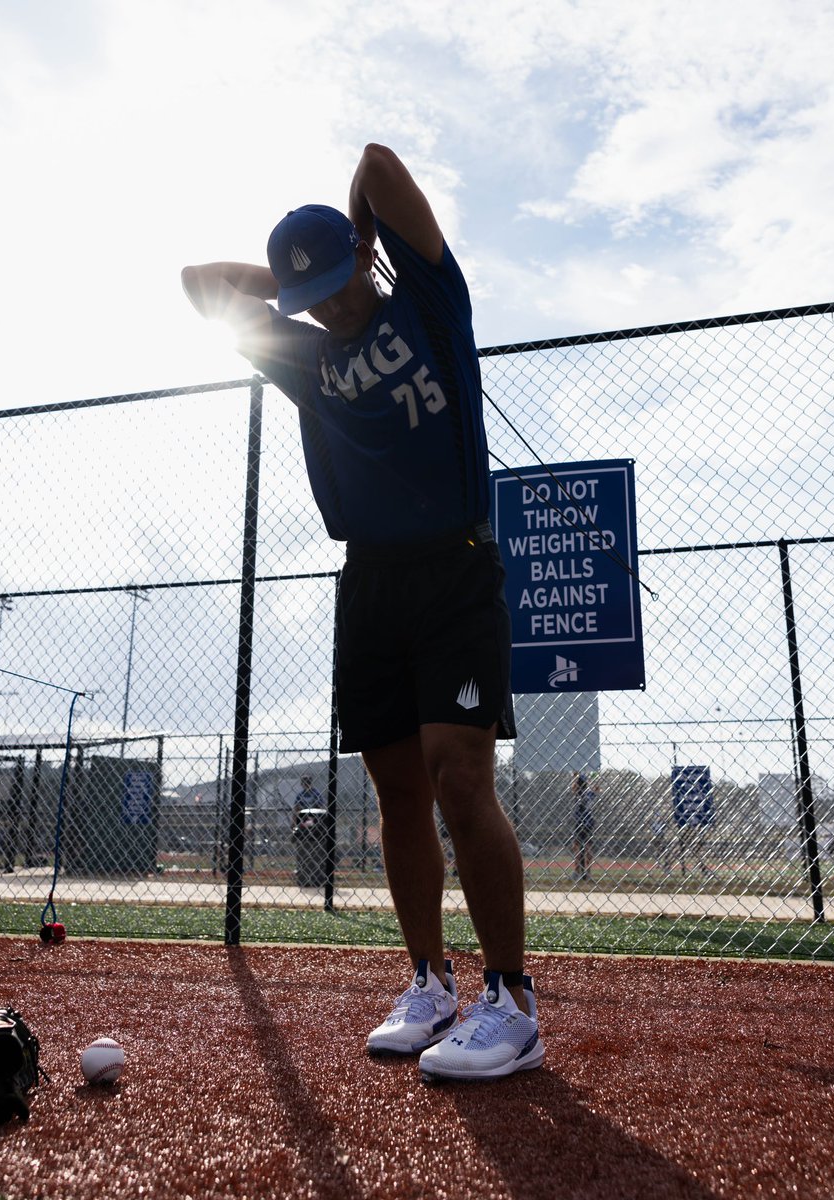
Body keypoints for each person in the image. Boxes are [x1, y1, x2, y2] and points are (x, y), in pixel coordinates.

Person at [181, 143, 543, 1082]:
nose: (336, 307)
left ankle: (513, 1001)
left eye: (344, 284)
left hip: (456, 568)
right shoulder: (302, 350)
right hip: (369, 581)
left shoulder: (429, 304)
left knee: (461, 775)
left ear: (367, 264)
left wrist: (355, 242)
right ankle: (430, 983)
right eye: (319, 298)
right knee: (396, 797)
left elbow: (380, 163)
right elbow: (196, 282)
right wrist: (295, 279)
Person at [571, 772, 596, 883]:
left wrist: (575, 776)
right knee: (585, 847)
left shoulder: (579, 793)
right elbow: (596, 789)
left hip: (581, 822)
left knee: (579, 847)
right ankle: (587, 872)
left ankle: (578, 871)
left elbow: (574, 787)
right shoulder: (588, 793)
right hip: (588, 823)